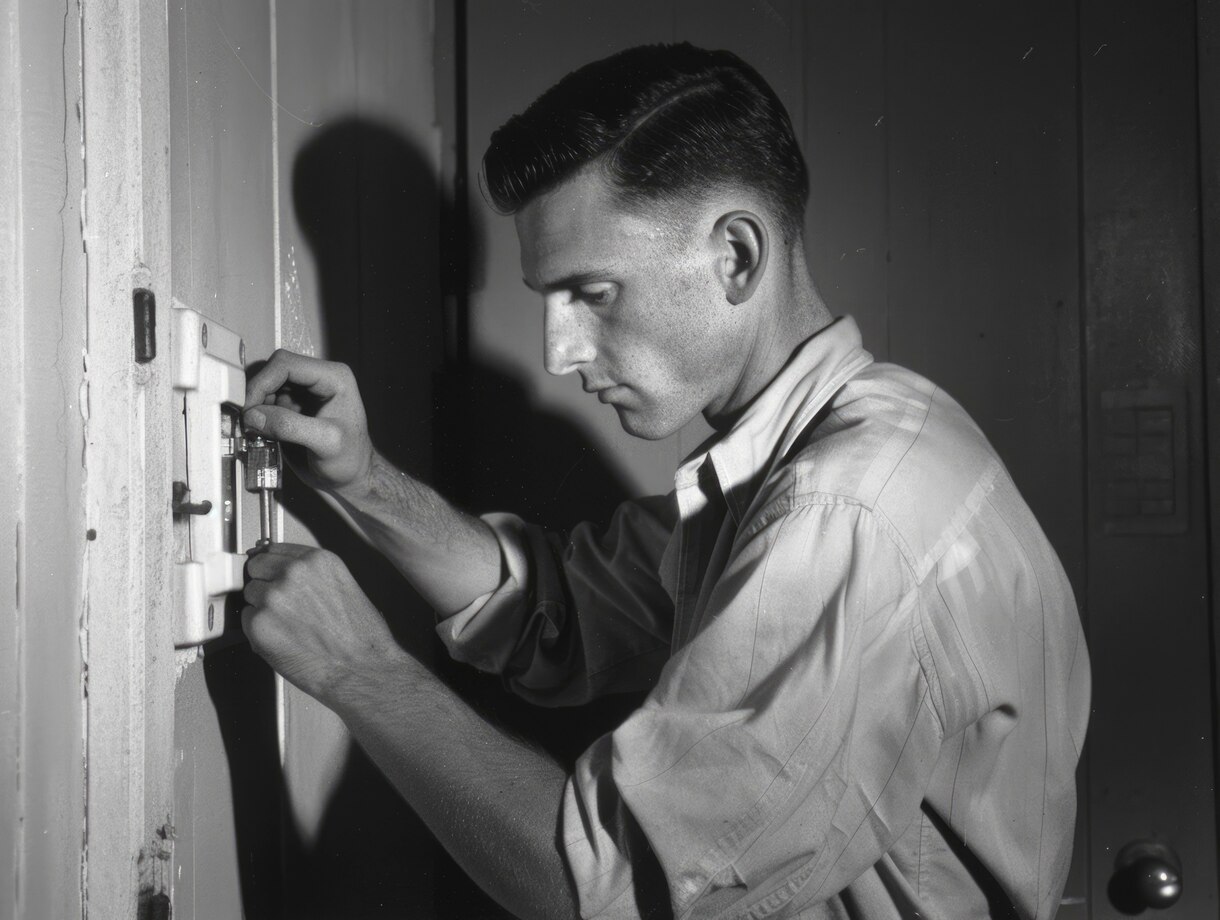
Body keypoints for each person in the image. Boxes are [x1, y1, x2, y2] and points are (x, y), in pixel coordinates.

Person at [239, 43, 1090, 920]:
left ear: (735, 256)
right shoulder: (835, 444)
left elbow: (608, 892)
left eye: (593, 294)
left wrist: (361, 671)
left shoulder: (846, 518)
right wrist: (364, 481)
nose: (559, 353)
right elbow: (557, 612)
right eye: (549, 300)